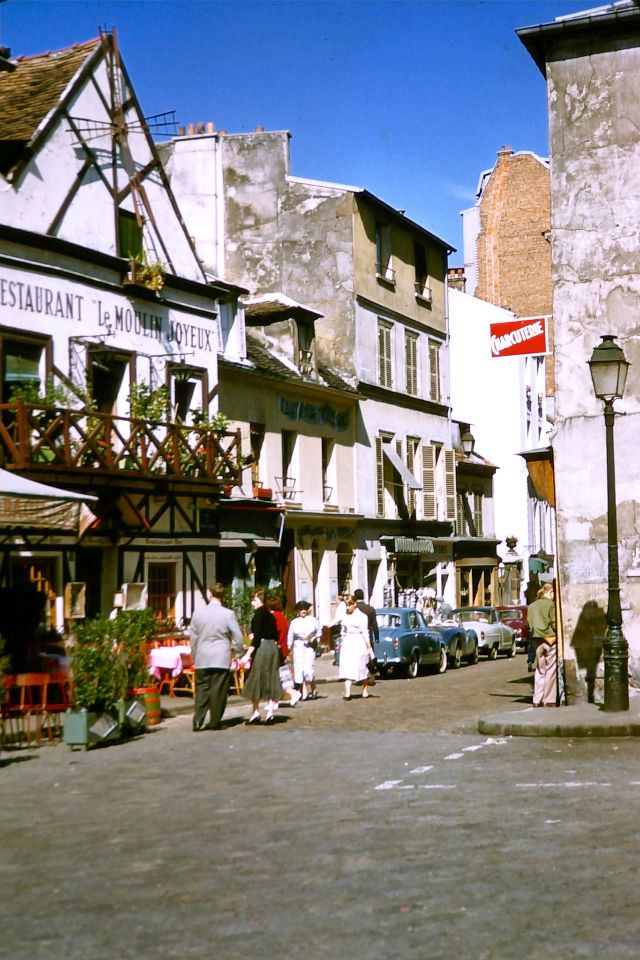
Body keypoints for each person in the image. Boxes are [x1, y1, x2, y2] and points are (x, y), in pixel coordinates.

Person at [188, 582, 244, 731]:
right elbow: (238, 636)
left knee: (202, 689)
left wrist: (194, 654)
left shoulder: (198, 613)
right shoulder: (227, 614)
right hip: (220, 656)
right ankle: (214, 721)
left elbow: (193, 637)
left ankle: (198, 719)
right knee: (218, 690)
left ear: (209, 594)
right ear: (222, 596)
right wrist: (237, 653)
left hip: (202, 655)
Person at [240, 589, 282, 724]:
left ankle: (256, 711)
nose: (252, 603)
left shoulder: (258, 615)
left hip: (263, 647)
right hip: (273, 648)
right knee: (271, 677)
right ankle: (270, 712)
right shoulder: (270, 615)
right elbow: (275, 634)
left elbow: (257, 637)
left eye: (254, 600)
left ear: (260, 600)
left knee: (256, 677)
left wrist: (248, 654)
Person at [338, 593, 374, 700]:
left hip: (359, 642)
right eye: (346, 605)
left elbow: (365, 632)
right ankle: (348, 692)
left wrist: (368, 646)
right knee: (347, 667)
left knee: (361, 666)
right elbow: (343, 631)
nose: (348, 607)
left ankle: (364, 689)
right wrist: (342, 641)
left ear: (355, 604)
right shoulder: (344, 616)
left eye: (350, 605)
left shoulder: (362, 616)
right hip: (348, 642)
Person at [527, 582, 558, 707]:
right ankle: (549, 699)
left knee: (540, 670)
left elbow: (529, 624)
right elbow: (554, 623)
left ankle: (536, 699)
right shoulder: (550, 604)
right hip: (550, 639)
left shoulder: (532, 606)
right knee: (550, 670)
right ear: (550, 592)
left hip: (537, 640)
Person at [287, 600, 320, 701]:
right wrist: (289, 647)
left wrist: (314, 638)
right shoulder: (294, 622)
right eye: (301, 609)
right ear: (298, 611)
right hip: (298, 646)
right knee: (299, 668)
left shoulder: (313, 620)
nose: (303, 611)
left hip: (309, 646)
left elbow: (319, 631)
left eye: (305, 609)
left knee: (308, 668)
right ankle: (304, 690)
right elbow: (290, 635)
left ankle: (313, 687)